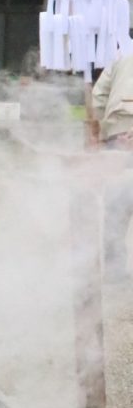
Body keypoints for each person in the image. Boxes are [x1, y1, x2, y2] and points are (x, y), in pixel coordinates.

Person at [91, 52, 133, 280]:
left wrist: (101, 134)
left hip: (117, 135)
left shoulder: (120, 56)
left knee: (116, 207)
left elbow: (98, 97)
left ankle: (114, 269)